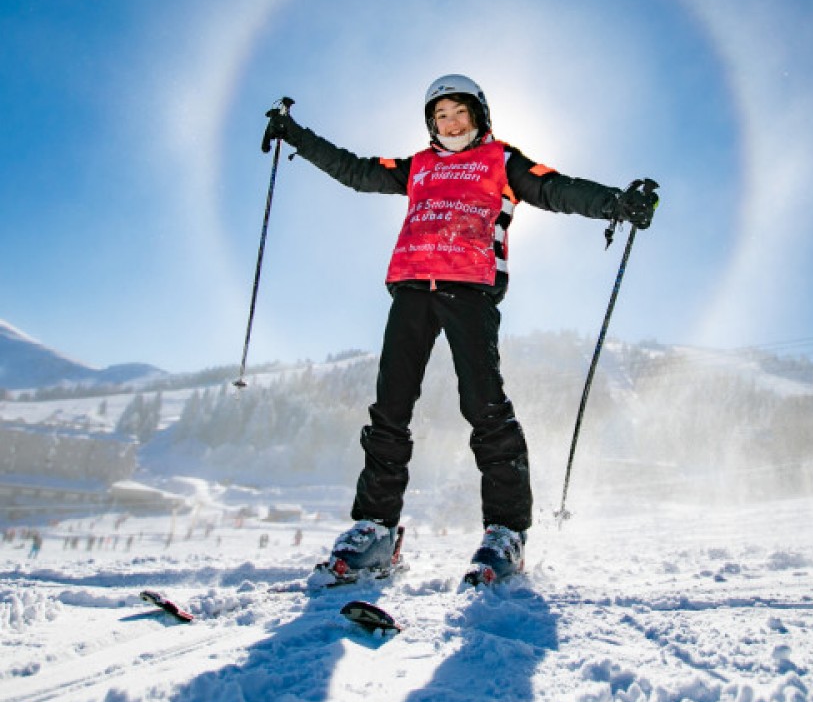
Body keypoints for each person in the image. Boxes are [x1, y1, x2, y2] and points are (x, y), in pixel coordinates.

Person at [262, 74, 658, 583]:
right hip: (410, 289)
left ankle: (505, 533)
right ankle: (375, 530)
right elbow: (354, 169)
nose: (450, 123)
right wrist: (293, 133)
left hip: (469, 291)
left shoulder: (502, 160)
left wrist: (615, 203)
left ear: (479, 116)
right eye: (440, 115)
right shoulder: (417, 167)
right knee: (389, 410)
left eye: (459, 112)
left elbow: (555, 187)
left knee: (484, 406)